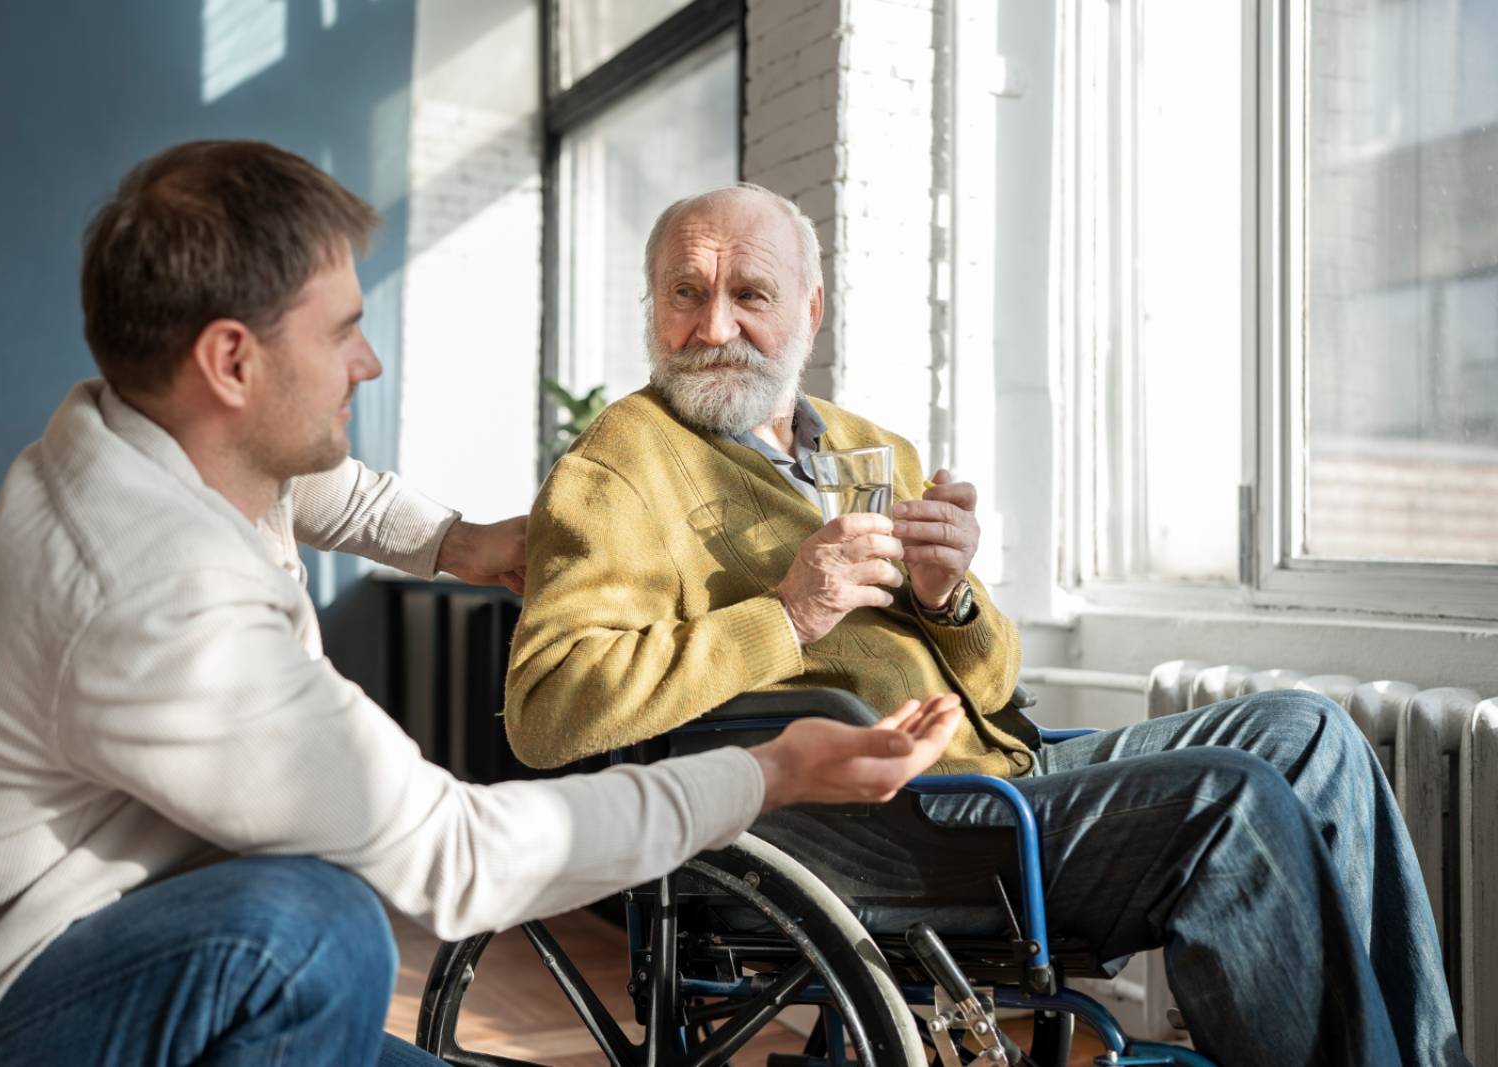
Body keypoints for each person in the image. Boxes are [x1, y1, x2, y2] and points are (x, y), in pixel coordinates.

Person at [0, 143, 972, 1067]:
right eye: (342, 331)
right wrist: (769, 771)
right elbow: (456, 857)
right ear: (230, 360)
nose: (368, 360)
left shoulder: (138, 438)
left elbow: (327, 486)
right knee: (310, 927)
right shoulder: (154, 596)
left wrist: (457, 543)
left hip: (111, 946)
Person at [502, 182, 1469, 1066]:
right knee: (1233, 801)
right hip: (870, 827)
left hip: (998, 774)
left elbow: (997, 685)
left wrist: (948, 595)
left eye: (749, 293)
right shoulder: (620, 462)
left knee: (1313, 733)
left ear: (810, 309)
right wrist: (789, 614)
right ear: (653, 308)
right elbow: (547, 710)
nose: (714, 325)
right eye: (684, 293)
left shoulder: (868, 444)